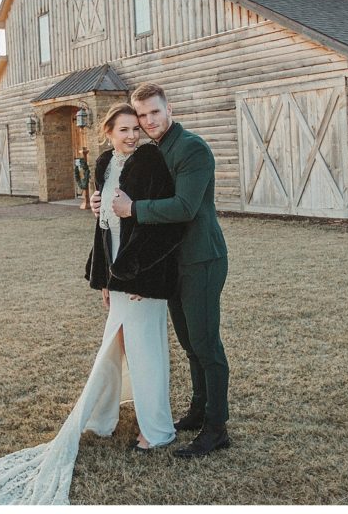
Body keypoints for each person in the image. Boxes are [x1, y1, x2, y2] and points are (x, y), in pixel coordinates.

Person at [0, 103, 184, 505]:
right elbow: (105, 230)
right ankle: (104, 417)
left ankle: (155, 431)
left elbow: (161, 228)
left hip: (145, 279)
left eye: (135, 129)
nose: (131, 135)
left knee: (147, 353)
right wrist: (105, 279)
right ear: (107, 131)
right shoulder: (105, 164)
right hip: (119, 277)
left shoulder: (152, 162)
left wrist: (145, 278)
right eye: (123, 129)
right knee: (116, 348)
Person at [92, 83, 231, 458]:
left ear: (168, 109)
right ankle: (199, 411)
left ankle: (217, 429)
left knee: (206, 344)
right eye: (141, 116)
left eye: (154, 112)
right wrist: (102, 203)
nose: (148, 121)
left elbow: (185, 206)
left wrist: (133, 209)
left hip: (200, 259)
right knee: (188, 343)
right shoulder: (154, 152)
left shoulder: (191, 149)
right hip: (169, 264)